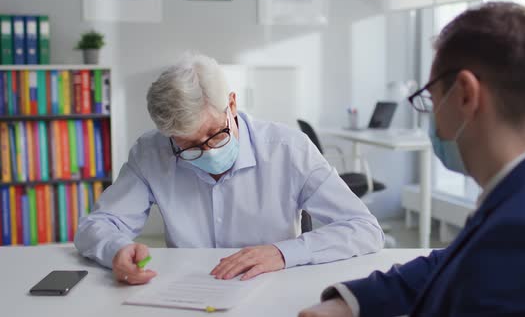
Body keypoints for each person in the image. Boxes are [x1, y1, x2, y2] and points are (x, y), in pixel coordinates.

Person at [299, 1, 525, 317]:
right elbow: (455, 259)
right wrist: (348, 302)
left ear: (466, 94)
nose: (432, 114)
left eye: (431, 98)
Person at [74, 53, 384, 285]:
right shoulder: (153, 151)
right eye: (188, 146)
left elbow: (364, 229)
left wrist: (284, 252)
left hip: (273, 290)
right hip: (187, 294)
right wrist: (117, 250)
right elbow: (97, 226)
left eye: (214, 135)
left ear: (232, 105)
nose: (206, 151)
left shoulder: (288, 150)